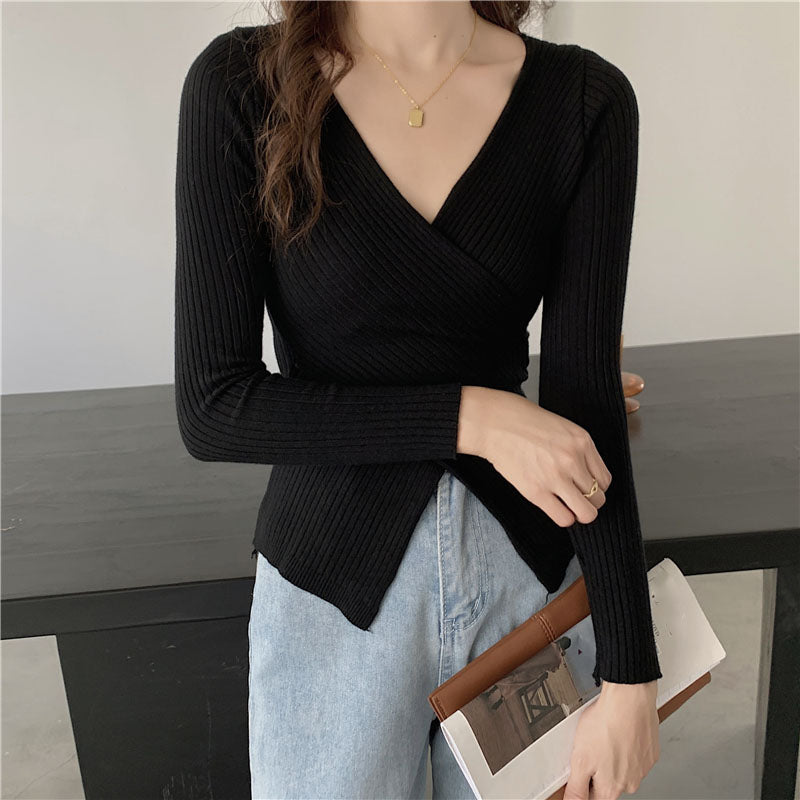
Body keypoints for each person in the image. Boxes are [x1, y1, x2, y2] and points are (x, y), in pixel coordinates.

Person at [174, 2, 663, 798]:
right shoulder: (241, 86)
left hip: (524, 593)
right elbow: (214, 406)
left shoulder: (584, 100)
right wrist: (475, 418)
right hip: (332, 602)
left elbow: (587, 417)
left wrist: (631, 672)